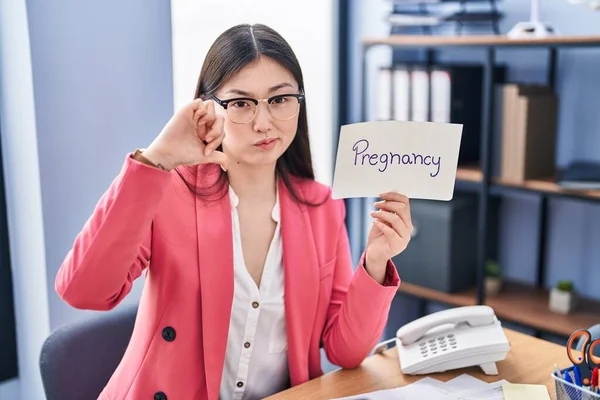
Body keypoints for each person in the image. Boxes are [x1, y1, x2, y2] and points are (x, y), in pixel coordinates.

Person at [55, 23, 413, 400]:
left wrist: (375, 262)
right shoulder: (170, 191)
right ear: (209, 106)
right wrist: (156, 159)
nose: (263, 123)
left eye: (279, 99)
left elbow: (345, 351)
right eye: (241, 103)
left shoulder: (320, 206)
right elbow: (83, 291)